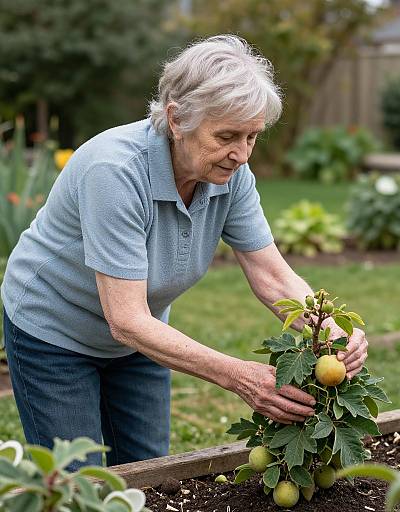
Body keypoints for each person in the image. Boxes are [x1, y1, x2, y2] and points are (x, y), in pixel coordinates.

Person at [1, 35, 368, 469]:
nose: (242, 154)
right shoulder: (115, 171)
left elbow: (272, 275)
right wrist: (239, 376)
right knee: (74, 482)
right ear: (177, 119)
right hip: (54, 330)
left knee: (149, 474)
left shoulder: (230, 174)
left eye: (253, 136)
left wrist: (325, 328)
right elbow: (126, 319)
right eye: (228, 135)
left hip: (142, 339)